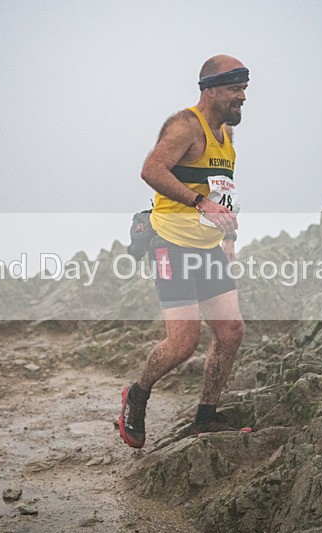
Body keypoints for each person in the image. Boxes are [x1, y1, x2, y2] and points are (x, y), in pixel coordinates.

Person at [119, 55, 250, 448]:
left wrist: (228, 238)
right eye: (235, 89)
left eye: (245, 88)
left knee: (231, 331)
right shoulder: (185, 126)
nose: (242, 96)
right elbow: (151, 169)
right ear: (210, 90)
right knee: (182, 343)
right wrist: (199, 203)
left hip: (207, 247)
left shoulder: (226, 132)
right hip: (171, 245)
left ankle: (205, 418)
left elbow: (222, 190)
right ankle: (137, 394)